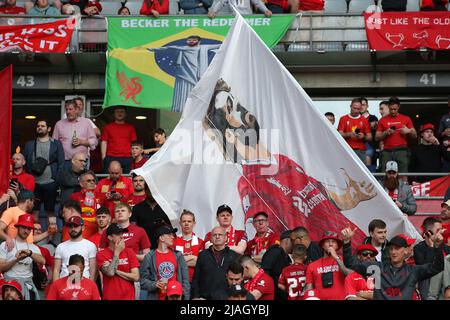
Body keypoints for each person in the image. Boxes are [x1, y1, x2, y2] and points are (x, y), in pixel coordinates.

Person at [204, 79, 376, 247]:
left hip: (357, 244)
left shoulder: (282, 159)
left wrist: (351, 196)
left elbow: (324, 199)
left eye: (236, 103)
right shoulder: (250, 183)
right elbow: (259, 234)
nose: (242, 109)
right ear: (229, 135)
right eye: (231, 107)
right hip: (328, 259)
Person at [342, 227, 445, 300]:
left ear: (405, 250)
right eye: (391, 249)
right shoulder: (377, 268)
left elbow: (438, 267)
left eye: (397, 248)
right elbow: (350, 263)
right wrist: (346, 242)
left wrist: (438, 246)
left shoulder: (413, 271)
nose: (393, 252)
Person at [143, 37, 221, 113]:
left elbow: (219, 45)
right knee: (184, 89)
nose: (191, 41)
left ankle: (197, 108)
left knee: (198, 89)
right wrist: (153, 49)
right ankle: (182, 107)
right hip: (185, 72)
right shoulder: (183, 48)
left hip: (198, 72)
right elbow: (169, 48)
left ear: (199, 41)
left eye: (194, 40)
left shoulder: (204, 47)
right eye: (189, 40)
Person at [23, 119, 64, 229]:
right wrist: (29, 178)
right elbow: (25, 162)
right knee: (34, 212)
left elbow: (61, 163)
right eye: (38, 126)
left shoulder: (56, 144)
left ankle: (50, 239)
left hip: (51, 182)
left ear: (49, 129)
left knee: (50, 212)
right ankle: (36, 239)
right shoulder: (30, 144)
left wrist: (56, 181)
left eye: (42, 126)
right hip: (34, 183)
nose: (40, 128)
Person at [0, 214, 45, 300]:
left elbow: (43, 261)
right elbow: (1, 268)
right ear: (18, 227)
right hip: (10, 286)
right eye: (24, 227)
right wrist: (16, 260)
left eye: (29, 229)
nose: (26, 231)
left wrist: (30, 253)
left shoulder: (33, 247)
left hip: (27, 284)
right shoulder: (5, 244)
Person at [140, 224, 190, 300]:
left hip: (175, 297)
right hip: (157, 297)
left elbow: (185, 281)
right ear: (161, 238)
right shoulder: (149, 256)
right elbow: (142, 281)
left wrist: (185, 298)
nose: (173, 237)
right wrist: (155, 284)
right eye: (169, 234)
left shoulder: (178, 255)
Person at [191, 226, 241, 299]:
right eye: (214, 235)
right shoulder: (203, 255)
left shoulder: (233, 255)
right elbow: (196, 279)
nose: (217, 237)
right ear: (211, 238)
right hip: (205, 298)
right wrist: (195, 297)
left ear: (226, 238)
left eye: (220, 235)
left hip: (227, 298)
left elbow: (238, 279)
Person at [97, 223, 140, 300]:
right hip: (110, 297)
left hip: (129, 297)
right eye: (118, 234)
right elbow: (110, 273)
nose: (121, 236)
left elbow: (136, 277)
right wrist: (117, 253)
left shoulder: (129, 252)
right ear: (110, 237)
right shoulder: (101, 254)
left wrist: (116, 270)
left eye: (122, 233)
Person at [376, 97, 417, 173]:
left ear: (399, 107)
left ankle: (404, 185)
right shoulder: (382, 120)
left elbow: (415, 135)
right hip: (387, 151)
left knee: (403, 174)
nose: (393, 111)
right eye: (391, 109)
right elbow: (377, 138)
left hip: (401, 150)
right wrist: (385, 133)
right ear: (388, 107)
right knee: (384, 174)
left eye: (395, 109)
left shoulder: (406, 118)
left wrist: (408, 131)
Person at [53, 100, 97, 170]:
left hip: (82, 161)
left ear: (76, 110)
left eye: (70, 109)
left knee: (82, 181)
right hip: (65, 162)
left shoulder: (86, 122)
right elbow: (54, 144)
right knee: (65, 181)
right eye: (66, 109)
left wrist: (82, 142)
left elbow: (94, 141)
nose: (68, 112)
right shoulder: (59, 124)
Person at [413, 217, 450, 299]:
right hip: (428, 289)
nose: (441, 232)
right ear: (428, 233)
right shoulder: (418, 248)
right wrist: (432, 247)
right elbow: (427, 269)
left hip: (445, 288)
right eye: (438, 230)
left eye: (442, 229)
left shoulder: (447, 248)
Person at [53, 216, 97, 282]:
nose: (73, 229)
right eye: (70, 227)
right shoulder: (60, 246)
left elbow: (93, 270)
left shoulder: (90, 245)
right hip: (64, 284)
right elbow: (56, 270)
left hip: (84, 284)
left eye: (76, 226)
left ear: (83, 228)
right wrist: (56, 288)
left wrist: (90, 287)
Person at [305, 231, 347, 300]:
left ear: (337, 245)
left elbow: (350, 274)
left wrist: (336, 257)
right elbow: (309, 289)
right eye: (327, 241)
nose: (330, 244)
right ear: (322, 245)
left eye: (333, 241)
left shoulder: (345, 261)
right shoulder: (312, 266)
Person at [131, 185, 171, 249]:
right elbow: (133, 228)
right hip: (143, 246)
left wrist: (164, 224)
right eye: (150, 190)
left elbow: (172, 227)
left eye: (154, 191)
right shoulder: (137, 208)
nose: (152, 193)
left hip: (163, 245)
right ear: (146, 191)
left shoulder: (166, 207)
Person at [101, 106, 137, 174]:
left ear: (125, 114)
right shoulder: (108, 127)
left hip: (127, 157)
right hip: (110, 157)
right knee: (108, 180)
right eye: (117, 112)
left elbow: (134, 143)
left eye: (122, 112)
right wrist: (103, 157)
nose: (119, 113)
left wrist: (133, 156)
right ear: (114, 114)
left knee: (128, 180)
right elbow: (104, 142)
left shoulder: (130, 127)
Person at [173, 210, 204, 283]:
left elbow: (201, 263)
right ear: (180, 223)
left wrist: (179, 261)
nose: (186, 224)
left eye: (189, 221)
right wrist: (193, 257)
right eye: (184, 221)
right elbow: (172, 262)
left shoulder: (200, 242)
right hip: (178, 280)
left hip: (196, 280)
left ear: (194, 223)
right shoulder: (173, 241)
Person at [69, 171, 103, 238]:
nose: (92, 182)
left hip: (99, 227)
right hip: (83, 228)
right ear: (81, 184)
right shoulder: (75, 196)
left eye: (93, 180)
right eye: (89, 180)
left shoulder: (102, 196)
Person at [260, 230, 292, 300]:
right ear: (287, 240)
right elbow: (265, 272)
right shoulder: (274, 252)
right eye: (293, 241)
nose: (295, 244)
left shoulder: (287, 258)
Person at [338, 98, 372, 163]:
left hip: (360, 150)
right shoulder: (343, 119)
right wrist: (349, 134)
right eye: (354, 108)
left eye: (358, 109)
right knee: (346, 170)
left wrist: (363, 136)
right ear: (350, 106)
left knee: (360, 172)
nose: (356, 111)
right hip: (347, 149)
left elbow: (370, 137)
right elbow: (339, 134)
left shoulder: (364, 120)